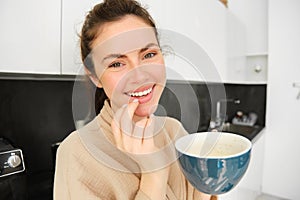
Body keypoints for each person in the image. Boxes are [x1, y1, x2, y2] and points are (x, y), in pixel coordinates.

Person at [53, 0, 217, 199]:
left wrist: (211, 181)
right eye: (116, 64)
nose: (140, 76)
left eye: (149, 54)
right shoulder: (75, 153)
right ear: (94, 76)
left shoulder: (174, 131)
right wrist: (154, 173)